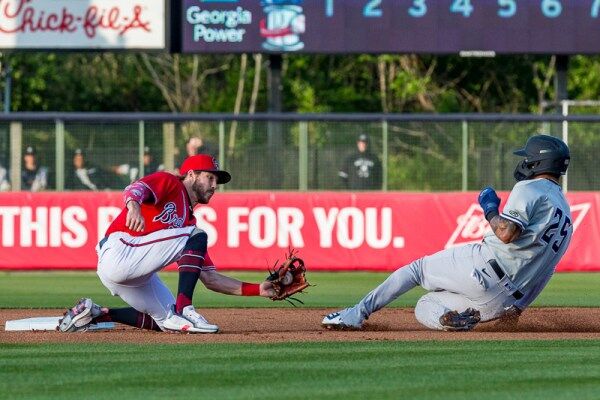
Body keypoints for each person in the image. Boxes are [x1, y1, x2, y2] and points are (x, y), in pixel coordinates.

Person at [323, 134, 572, 331]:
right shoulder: (565, 215)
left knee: (416, 270)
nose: (524, 162)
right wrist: (515, 310)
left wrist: (489, 209)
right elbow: (547, 270)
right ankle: (447, 319)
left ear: (538, 162)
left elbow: (506, 233)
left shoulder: (529, 188)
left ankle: (355, 314)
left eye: (528, 158)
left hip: (485, 268)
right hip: (503, 300)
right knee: (426, 305)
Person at [58, 154, 276, 334]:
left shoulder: (189, 224)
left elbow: (210, 278)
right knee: (196, 236)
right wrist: (134, 208)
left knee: (170, 324)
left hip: (134, 273)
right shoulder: (171, 183)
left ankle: (96, 314)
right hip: (120, 249)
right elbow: (135, 189)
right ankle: (186, 307)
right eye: (210, 178)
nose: (214, 185)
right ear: (191, 175)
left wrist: (258, 289)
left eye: (216, 181)